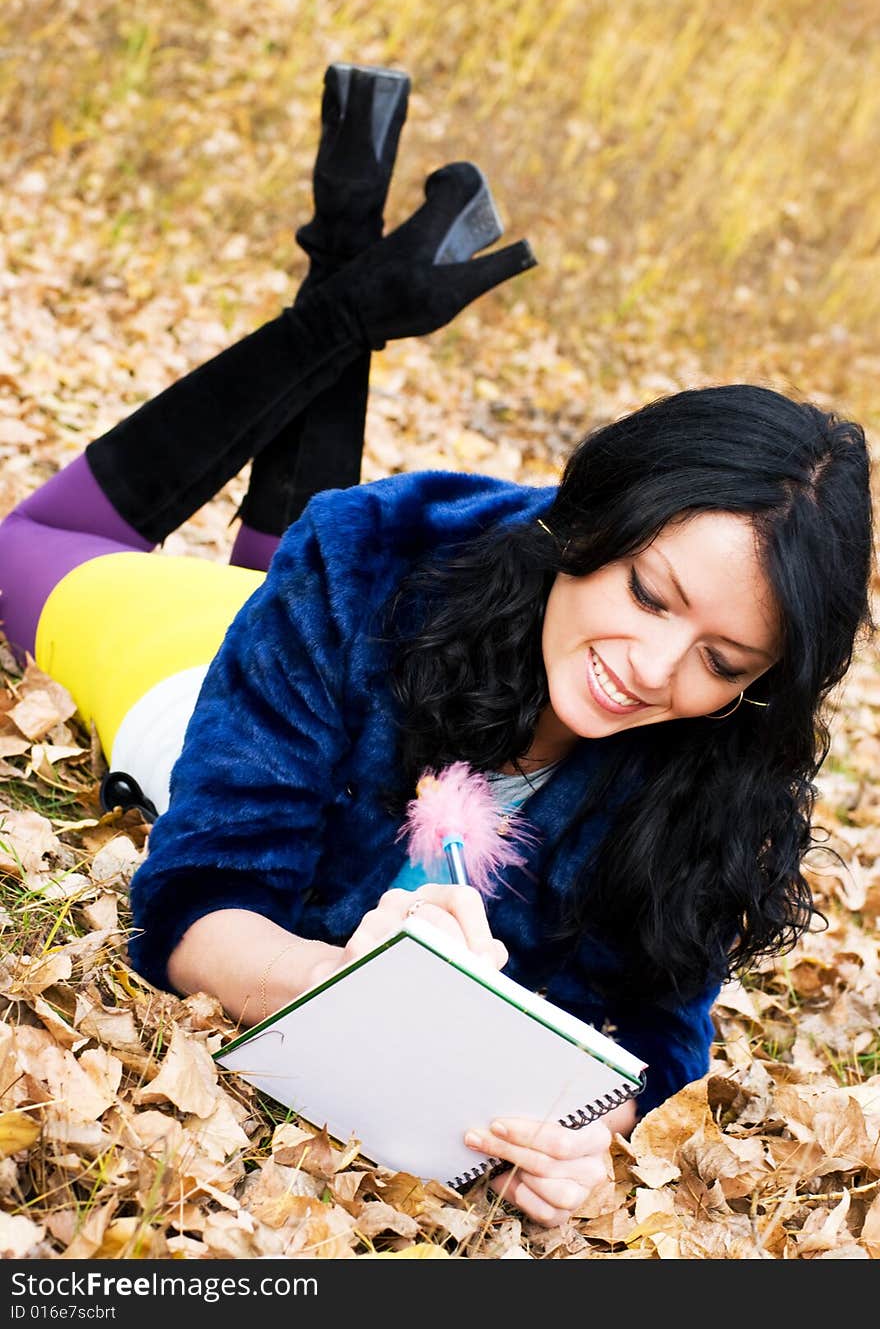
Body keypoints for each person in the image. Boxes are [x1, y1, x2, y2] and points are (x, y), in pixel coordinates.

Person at [0, 65, 874, 1231]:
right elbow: (195, 903)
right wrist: (352, 988)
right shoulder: (372, 557)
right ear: (590, 529)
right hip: (187, 680)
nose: (655, 671)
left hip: (330, 620)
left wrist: (586, 1133)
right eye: (649, 595)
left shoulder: (730, 758)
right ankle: (343, 302)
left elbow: (654, 1036)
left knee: (281, 564)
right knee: (40, 539)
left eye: (722, 660)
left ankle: (352, 265)